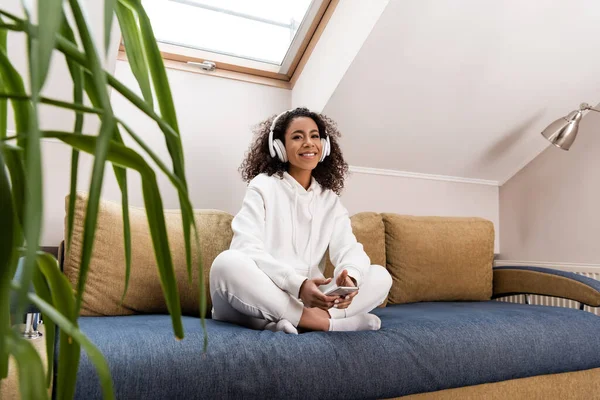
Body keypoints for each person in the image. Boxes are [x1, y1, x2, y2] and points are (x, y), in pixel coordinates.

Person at [210, 107, 392, 334]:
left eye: (314, 136)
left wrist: (351, 278)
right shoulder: (263, 185)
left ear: (324, 146)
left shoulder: (329, 199)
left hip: (309, 299)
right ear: (279, 147)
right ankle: (327, 324)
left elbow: (349, 248)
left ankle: (287, 321)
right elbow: (245, 247)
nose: (308, 143)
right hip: (264, 292)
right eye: (297, 136)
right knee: (226, 264)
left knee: (380, 276)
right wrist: (297, 285)